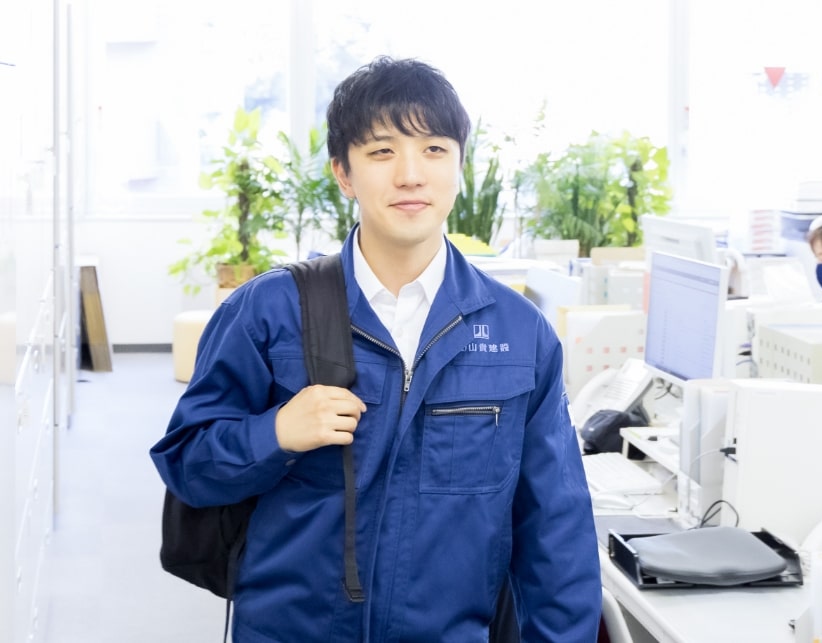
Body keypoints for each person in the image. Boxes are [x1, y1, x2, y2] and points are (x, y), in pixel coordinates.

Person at [150, 56, 601, 642]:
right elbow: (187, 466)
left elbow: (556, 530)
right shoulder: (268, 311)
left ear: (460, 167)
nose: (411, 175)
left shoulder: (520, 333)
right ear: (344, 173)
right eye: (382, 151)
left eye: (434, 149)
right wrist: (275, 433)